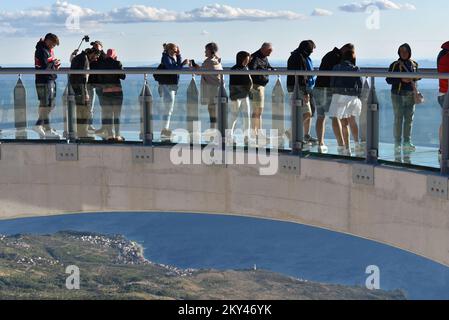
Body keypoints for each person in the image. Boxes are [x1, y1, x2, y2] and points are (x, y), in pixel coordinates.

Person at [314, 44, 355, 153]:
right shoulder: (338, 59)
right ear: (346, 50)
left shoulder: (328, 55)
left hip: (318, 87)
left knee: (320, 117)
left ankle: (321, 144)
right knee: (335, 117)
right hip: (328, 90)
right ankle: (341, 146)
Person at [328, 49, 363, 156]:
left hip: (339, 97)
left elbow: (332, 83)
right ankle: (357, 143)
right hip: (352, 97)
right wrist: (357, 95)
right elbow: (360, 84)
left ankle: (346, 148)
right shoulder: (355, 69)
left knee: (343, 123)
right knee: (352, 120)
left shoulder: (336, 68)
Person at [386, 43, 420, 153]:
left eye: (405, 51)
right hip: (397, 95)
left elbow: (418, 76)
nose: (404, 53)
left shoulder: (414, 64)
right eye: (401, 51)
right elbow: (388, 79)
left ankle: (407, 142)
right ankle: (397, 143)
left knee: (409, 120)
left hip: (410, 95)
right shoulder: (395, 65)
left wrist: (412, 79)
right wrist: (401, 79)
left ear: (409, 52)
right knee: (398, 119)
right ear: (399, 53)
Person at [157, 43, 190, 141]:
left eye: (176, 51)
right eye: (174, 51)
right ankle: (164, 131)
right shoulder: (166, 58)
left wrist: (179, 56)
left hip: (170, 85)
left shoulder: (170, 57)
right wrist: (182, 64)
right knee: (168, 109)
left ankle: (165, 130)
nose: (175, 52)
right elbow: (173, 69)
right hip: (167, 85)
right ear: (169, 50)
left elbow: (176, 67)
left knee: (169, 109)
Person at [286, 40, 316, 146]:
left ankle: (303, 136)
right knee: (307, 113)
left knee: (304, 113)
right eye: (311, 50)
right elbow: (301, 75)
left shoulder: (295, 55)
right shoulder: (300, 57)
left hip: (294, 88)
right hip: (299, 89)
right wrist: (304, 92)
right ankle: (291, 132)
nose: (311, 52)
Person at [34, 33, 62, 139]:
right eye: (53, 44)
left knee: (49, 104)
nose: (53, 46)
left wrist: (55, 65)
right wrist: (54, 65)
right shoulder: (41, 50)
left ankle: (45, 128)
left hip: (49, 79)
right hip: (44, 80)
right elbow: (44, 66)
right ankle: (40, 126)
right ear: (48, 40)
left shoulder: (47, 50)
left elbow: (48, 65)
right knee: (46, 104)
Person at [69, 48, 101, 139]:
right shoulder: (84, 60)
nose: (96, 59)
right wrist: (85, 92)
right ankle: (83, 134)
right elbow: (82, 77)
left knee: (81, 111)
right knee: (84, 111)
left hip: (76, 88)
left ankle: (81, 133)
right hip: (80, 89)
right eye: (96, 56)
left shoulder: (80, 58)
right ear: (93, 53)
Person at [95, 49, 126, 141]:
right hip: (117, 92)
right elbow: (123, 76)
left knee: (107, 115)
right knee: (117, 115)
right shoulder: (117, 63)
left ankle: (110, 135)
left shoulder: (101, 64)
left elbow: (99, 78)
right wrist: (117, 62)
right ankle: (117, 135)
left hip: (105, 92)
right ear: (114, 55)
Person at [248, 43, 275, 139]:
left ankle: (257, 132)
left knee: (258, 111)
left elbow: (267, 66)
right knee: (257, 110)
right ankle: (255, 133)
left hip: (261, 86)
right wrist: (264, 70)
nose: (270, 53)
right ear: (263, 49)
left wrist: (270, 69)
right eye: (269, 51)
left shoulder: (263, 57)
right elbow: (252, 70)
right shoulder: (255, 57)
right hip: (256, 86)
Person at [229, 51, 253, 144]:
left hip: (243, 95)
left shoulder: (244, 68)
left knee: (246, 117)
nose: (248, 60)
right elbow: (247, 82)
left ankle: (246, 137)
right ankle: (230, 137)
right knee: (234, 117)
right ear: (242, 58)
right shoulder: (239, 69)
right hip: (237, 96)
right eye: (247, 58)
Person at [199, 43, 223, 129]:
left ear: (210, 50)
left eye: (206, 49)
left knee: (212, 109)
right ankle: (214, 128)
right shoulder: (217, 60)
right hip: (217, 88)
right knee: (214, 109)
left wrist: (192, 66)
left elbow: (199, 72)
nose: (205, 51)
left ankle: (213, 129)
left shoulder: (209, 61)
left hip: (211, 88)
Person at [437, 41, 449, 159]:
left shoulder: (443, 53)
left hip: (443, 93)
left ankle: (442, 148)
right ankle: (444, 149)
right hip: (447, 94)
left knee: (445, 122)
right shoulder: (446, 55)